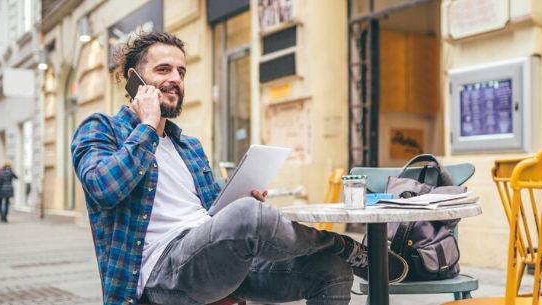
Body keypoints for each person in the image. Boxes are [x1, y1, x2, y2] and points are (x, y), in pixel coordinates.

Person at [70, 32, 406, 305]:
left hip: (214, 260)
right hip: (160, 275)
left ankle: (341, 254)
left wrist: (242, 201)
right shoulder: (101, 129)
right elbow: (103, 187)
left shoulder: (188, 147)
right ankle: (346, 246)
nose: (175, 79)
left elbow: (219, 214)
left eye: (181, 72)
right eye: (163, 70)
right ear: (135, 80)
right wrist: (146, 126)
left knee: (331, 271)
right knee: (248, 216)